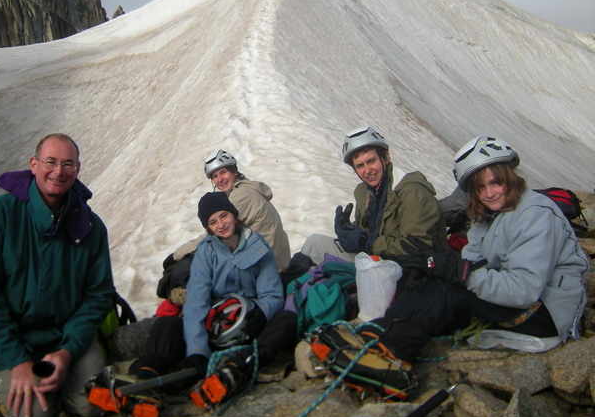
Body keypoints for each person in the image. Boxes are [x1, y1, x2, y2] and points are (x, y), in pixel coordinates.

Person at [330, 135, 590, 397]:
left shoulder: (535, 215)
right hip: (518, 299)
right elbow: (472, 259)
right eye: (479, 188)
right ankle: (377, 337)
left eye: (495, 182)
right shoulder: (488, 214)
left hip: (546, 314)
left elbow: (523, 289)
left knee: (443, 289)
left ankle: (392, 359)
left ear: (510, 177)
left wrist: (460, 273)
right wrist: (449, 269)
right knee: (426, 278)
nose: (489, 193)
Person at [0, 133, 114, 417]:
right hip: (6, 342)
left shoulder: (91, 228)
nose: (58, 172)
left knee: (93, 405)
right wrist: (16, 361)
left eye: (68, 164)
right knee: (36, 415)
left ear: (77, 170)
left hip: (64, 336)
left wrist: (67, 351)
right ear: (33, 165)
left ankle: (61, 383)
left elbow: (98, 295)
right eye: (50, 162)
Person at [130, 192, 297, 401]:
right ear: (208, 228)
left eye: (224, 216)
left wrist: (263, 313)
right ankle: (149, 372)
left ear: (234, 216)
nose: (221, 224)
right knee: (167, 325)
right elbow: (196, 303)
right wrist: (197, 350)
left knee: (286, 320)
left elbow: (271, 294)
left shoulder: (258, 245)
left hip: (249, 323)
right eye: (213, 221)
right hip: (215, 325)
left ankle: (242, 364)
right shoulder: (205, 253)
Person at [156, 149, 291, 315]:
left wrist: (177, 255)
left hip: (269, 271)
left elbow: (213, 237)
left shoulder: (241, 196)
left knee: (189, 266)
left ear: (234, 171)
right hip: (269, 260)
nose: (219, 179)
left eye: (223, 172)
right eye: (214, 176)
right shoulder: (244, 189)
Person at [301, 126, 447, 264]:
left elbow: (418, 248)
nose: (367, 170)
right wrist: (347, 230)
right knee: (314, 244)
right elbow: (367, 231)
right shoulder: (364, 191)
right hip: (375, 260)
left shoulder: (412, 193)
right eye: (360, 166)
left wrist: (366, 241)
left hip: (406, 270)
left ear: (386, 158)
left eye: (371, 161)